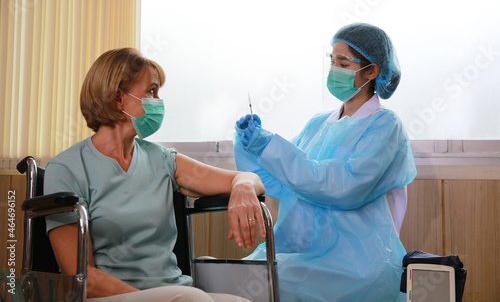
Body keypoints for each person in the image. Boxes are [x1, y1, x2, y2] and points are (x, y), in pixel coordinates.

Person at [44, 48, 265, 302]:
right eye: (151, 91)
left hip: (175, 292)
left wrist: (243, 188)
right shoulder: (67, 169)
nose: (158, 101)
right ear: (119, 98)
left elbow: (247, 178)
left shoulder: (161, 159)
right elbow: (82, 276)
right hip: (110, 296)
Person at [234, 23, 417, 302]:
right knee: (239, 277)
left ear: (372, 71)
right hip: (299, 250)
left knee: (269, 283)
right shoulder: (318, 124)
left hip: (357, 264)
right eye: (332, 61)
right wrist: (250, 144)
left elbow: (342, 187)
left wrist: (269, 145)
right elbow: (281, 180)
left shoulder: (386, 126)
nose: (334, 70)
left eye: (343, 63)